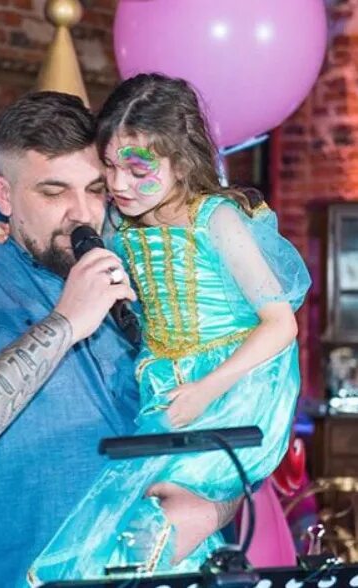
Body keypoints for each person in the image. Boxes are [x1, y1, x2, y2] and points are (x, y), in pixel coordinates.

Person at [0, 91, 240, 587]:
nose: (81, 214)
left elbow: (233, 424)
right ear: (4, 197)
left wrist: (214, 507)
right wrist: (67, 322)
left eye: (95, 190)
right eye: (53, 193)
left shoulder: (148, 273)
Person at [16, 74, 311, 584]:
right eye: (110, 166)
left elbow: (281, 324)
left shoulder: (216, 220)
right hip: (167, 382)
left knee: (155, 519)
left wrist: (206, 389)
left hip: (238, 383)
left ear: (181, 161)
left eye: (138, 169)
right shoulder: (123, 224)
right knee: (120, 517)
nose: (119, 184)